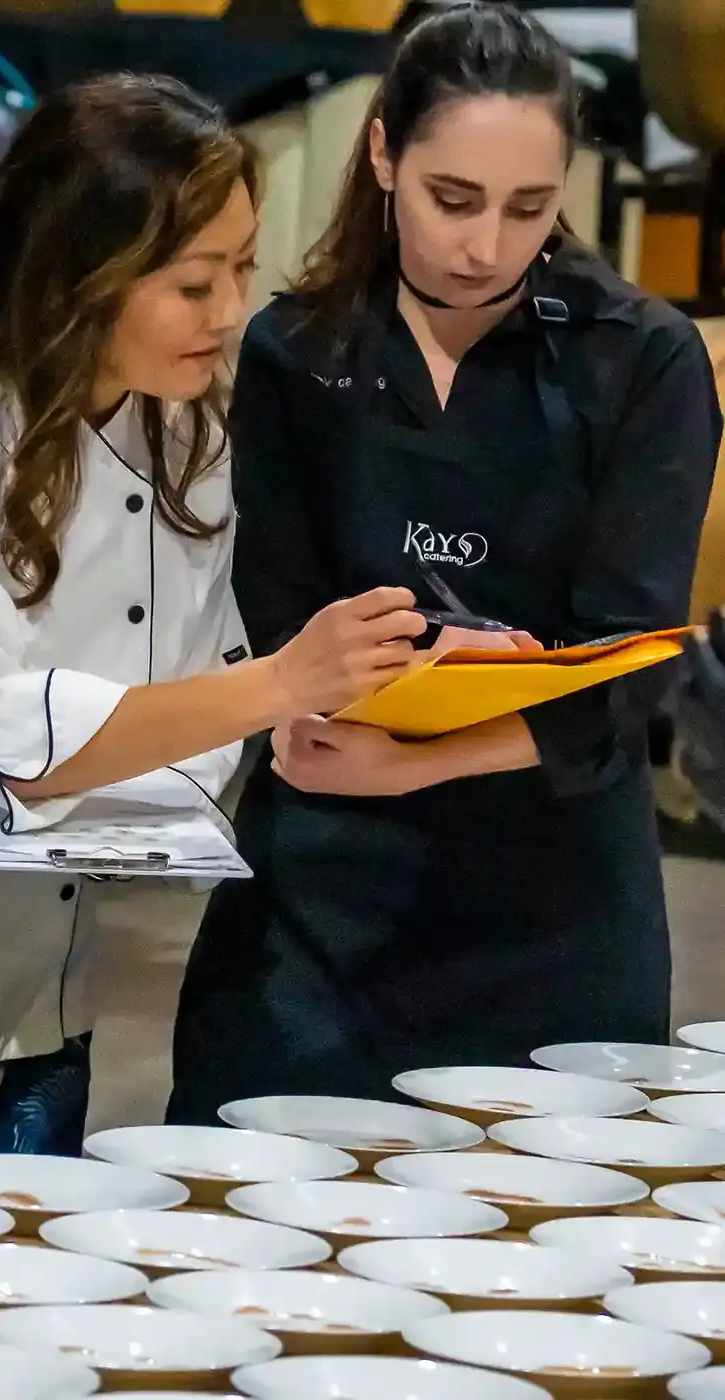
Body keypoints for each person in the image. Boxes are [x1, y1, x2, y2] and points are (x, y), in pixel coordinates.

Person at [0, 73, 424, 1187]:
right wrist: (279, 686)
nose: (229, 313)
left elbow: (186, 700)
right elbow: (0, 733)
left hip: (37, 997)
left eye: (241, 272)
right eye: (195, 282)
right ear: (78, 274)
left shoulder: (184, 441)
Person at [168, 3, 723, 1123]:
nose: (487, 245)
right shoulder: (297, 352)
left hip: (556, 906)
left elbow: (632, 666)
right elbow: (277, 611)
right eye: (451, 199)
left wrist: (422, 754)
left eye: (529, 206)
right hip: (326, 889)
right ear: (383, 154)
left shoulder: (642, 361)